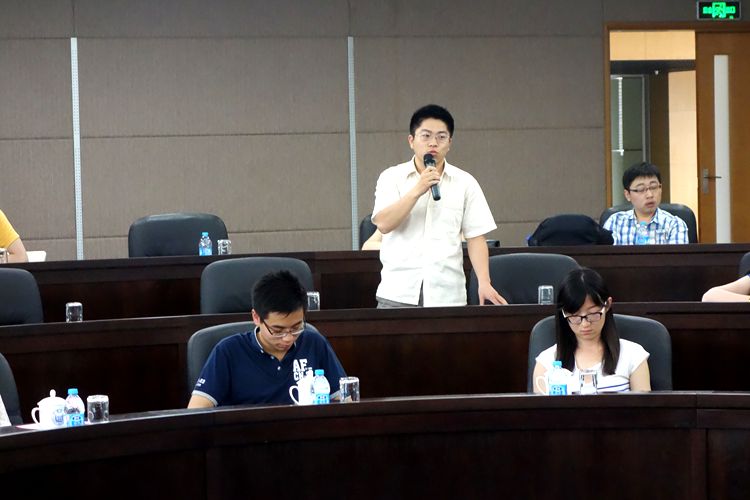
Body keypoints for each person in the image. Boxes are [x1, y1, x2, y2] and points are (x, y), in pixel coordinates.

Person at [371, 104, 506, 307]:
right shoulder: (391, 177)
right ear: (411, 141)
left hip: (448, 295)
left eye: (441, 137)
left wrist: (484, 282)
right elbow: (383, 224)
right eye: (426, 136)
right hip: (398, 293)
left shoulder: (465, 182)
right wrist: (418, 189)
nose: (433, 143)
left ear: (449, 143)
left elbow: (476, 237)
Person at [188, 270, 347, 408]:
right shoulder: (228, 351)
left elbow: (345, 401)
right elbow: (197, 411)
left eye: (296, 327)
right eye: (277, 330)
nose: (288, 338)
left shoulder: (314, 344)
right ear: (256, 317)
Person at [532, 267, 651, 393]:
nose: (585, 324)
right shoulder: (547, 362)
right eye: (575, 316)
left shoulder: (633, 355)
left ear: (607, 304)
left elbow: (645, 405)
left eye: (593, 314)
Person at [602, 162, 689, 245]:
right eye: (641, 189)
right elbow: (607, 255)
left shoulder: (675, 224)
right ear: (627, 194)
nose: (650, 195)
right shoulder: (615, 222)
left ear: (661, 188)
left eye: (653, 187)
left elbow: (676, 256)